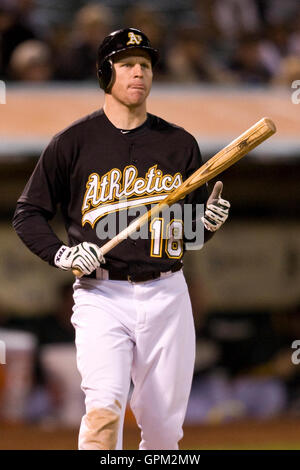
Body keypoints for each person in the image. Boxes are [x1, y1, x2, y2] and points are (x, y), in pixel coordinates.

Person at [13, 28, 230, 450]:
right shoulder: (72, 143)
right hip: (100, 294)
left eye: (145, 65)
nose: (138, 73)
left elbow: (184, 233)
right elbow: (28, 213)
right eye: (127, 64)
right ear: (104, 73)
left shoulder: (180, 144)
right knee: (104, 407)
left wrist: (207, 223)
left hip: (167, 292)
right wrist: (62, 253)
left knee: (165, 431)